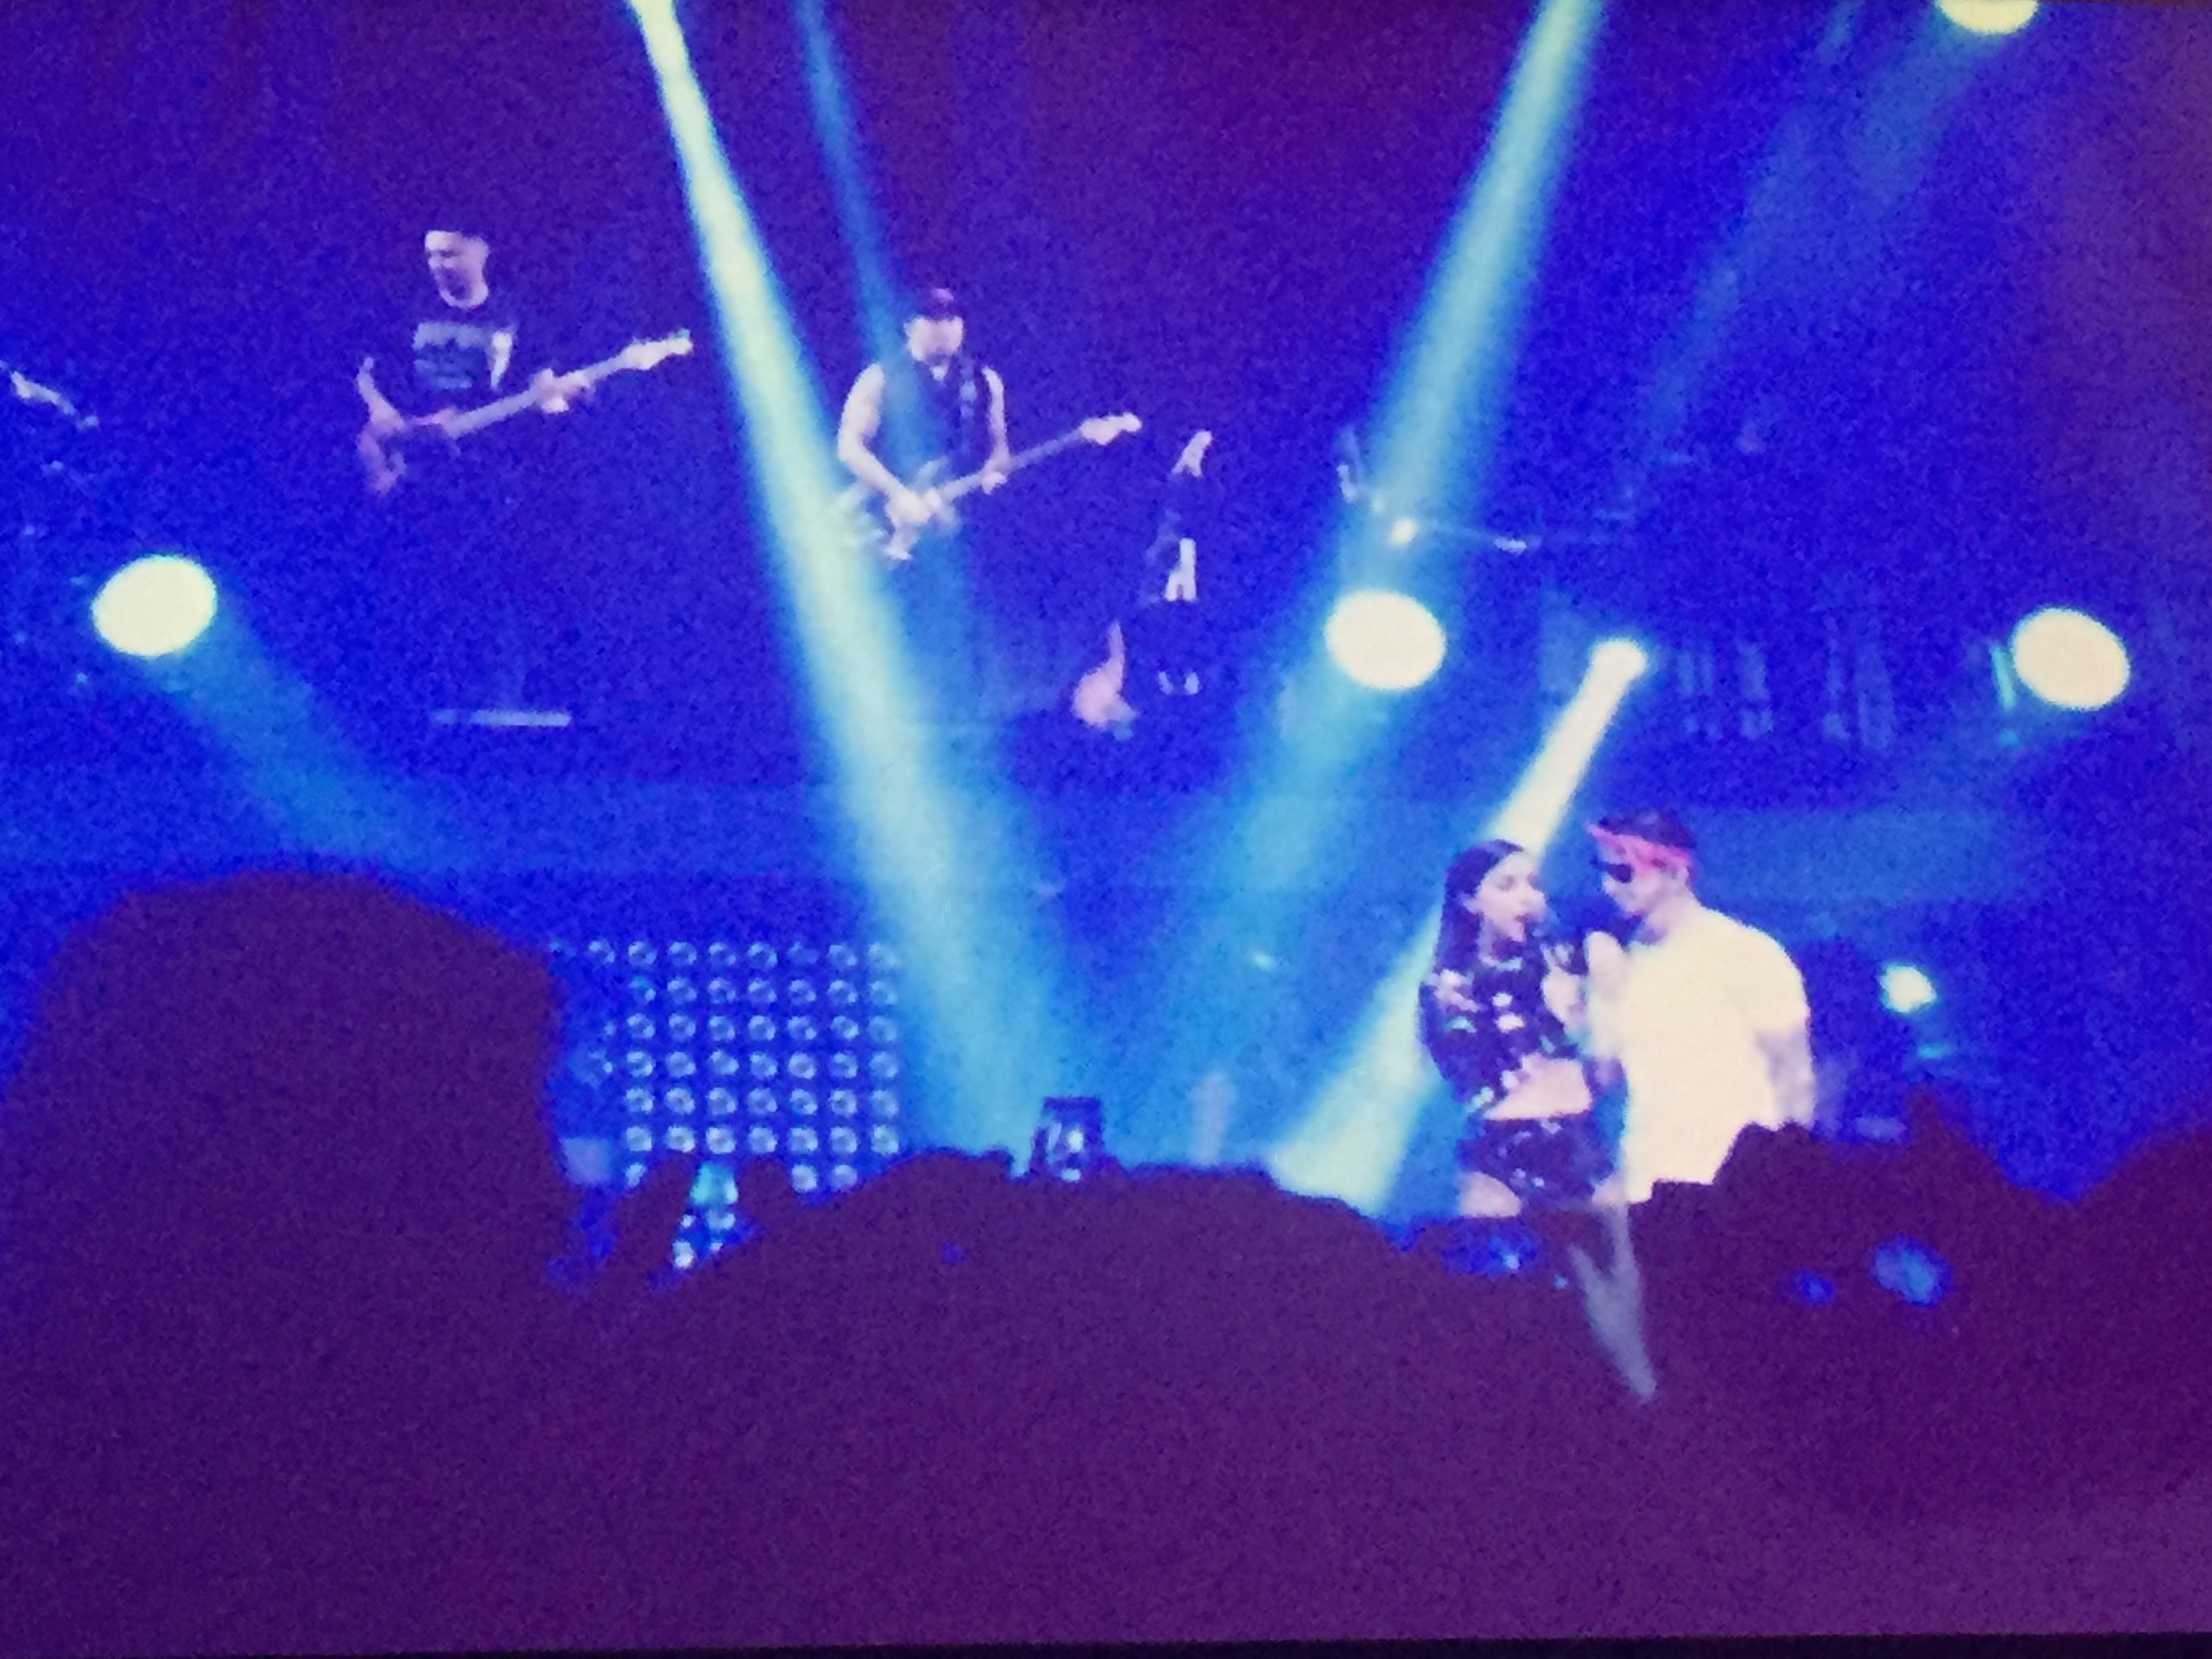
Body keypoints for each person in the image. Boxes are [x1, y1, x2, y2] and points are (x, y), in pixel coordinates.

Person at [353, 218, 588, 720]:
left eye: (451, 254)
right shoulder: (409, 310)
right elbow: (368, 375)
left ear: (481, 251)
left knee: (487, 583)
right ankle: (408, 698)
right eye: (432, 255)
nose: (439, 265)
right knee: (415, 583)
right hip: (415, 465)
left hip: (483, 471)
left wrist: (565, 398)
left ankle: (494, 701)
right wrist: (386, 418)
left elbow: (542, 390)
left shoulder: (516, 317)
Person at [1580, 808, 1816, 1206]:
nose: (1609, 886)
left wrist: (1791, 1177)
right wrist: (1599, 999)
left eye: (1624, 873)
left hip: (1737, 1182)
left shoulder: (1744, 952)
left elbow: (1793, 1072)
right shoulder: (1621, 960)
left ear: (1675, 873)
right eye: (1603, 871)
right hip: (1649, 1181)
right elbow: (1606, 1079)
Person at [836, 287, 1012, 730]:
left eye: (953, 319)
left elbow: (998, 446)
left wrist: (994, 472)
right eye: (934, 319)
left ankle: (962, 718)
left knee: (960, 622)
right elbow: (850, 447)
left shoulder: (983, 381)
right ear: (910, 326)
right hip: (892, 519)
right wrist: (898, 494)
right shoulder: (881, 378)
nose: (946, 328)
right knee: (891, 624)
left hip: (953, 522)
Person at [1417, 840, 1610, 1221]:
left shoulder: (1563, 965)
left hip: (1580, 1142)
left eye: (1534, 884)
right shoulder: (1450, 985)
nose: (1527, 897)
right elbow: (1471, 1076)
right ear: (1470, 901)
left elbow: (1605, 1067)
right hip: (1503, 1150)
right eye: (1507, 886)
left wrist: (1580, 1010)